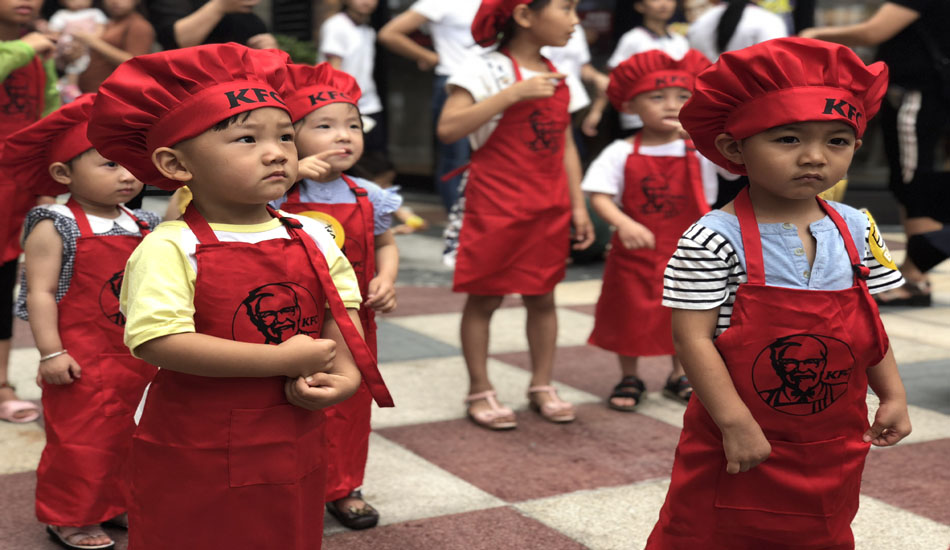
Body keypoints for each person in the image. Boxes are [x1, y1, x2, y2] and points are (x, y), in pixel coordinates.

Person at [86, 43, 394, 549]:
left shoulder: (312, 234)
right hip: (195, 444)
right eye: (247, 138)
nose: (277, 152)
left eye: (286, 136)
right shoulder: (170, 246)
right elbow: (158, 341)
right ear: (175, 163)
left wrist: (346, 376)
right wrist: (283, 359)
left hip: (292, 436)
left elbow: (342, 310)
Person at [646, 37, 912, 549]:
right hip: (737, 435)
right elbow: (691, 340)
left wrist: (894, 394)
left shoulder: (858, 227)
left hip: (831, 442)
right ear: (734, 149)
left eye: (837, 141)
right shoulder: (711, 238)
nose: (814, 157)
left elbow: (867, 325)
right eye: (788, 139)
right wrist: (735, 423)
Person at [4, 94, 159, 550]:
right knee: (81, 441)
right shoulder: (55, 223)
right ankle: (70, 516)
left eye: (132, 162)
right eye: (110, 164)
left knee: (130, 435)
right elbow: (39, 292)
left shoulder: (142, 222)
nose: (127, 174)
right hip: (80, 358)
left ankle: (114, 503)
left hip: (134, 355)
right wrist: (50, 352)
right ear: (62, 173)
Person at [438, 0, 594, 430]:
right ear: (525, 15)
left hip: (549, 204)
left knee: (543, 296)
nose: (575, 20)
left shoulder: (560, 71)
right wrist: (513, 94)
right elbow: (449, 129)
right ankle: (479, 387)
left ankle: (541, 384)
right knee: (485, 297)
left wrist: (578, 204)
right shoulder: (482, 68)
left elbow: (565, 143)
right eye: (566, 8)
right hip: (495, 203)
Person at [270, 62, 402, 531]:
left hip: (354, 322)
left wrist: (387, 278)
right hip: (289, 322)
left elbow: (385, 243)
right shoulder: (276, 192)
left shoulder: (369, 194)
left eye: (353, 126)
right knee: (286, 402)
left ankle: (344, 486)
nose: (343, 135)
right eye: (324, 126)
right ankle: (286, 485)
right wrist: (289, 176)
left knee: (350, 406)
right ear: (291, 137)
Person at [584, 49, 736, 412]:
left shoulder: (701, 149)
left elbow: (735, 167)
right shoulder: (619, 151)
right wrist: (623, 223)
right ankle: (629, 375)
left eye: (682, 96)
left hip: (690, 250)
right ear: (631, 106)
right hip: (636, 250)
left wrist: (704, 136)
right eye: (657, 97)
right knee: (629, 312)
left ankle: (680, 374)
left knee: (689, 312)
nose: (670, 105)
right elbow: (598, 194)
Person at [801, 0, 950, 306]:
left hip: (917, 96)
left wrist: (813, 33)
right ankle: (914, 275)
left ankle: (915, 278)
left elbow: (874, 31)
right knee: (910, 179)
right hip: (923, 94)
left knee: (912, 180)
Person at [0, 0, 59, 425]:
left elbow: (48, 118)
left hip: (14, 187)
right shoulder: (31, 47)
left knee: (4, 282)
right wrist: (27, 48)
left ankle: (1, 384)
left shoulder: (38, 51)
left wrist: (46, 185)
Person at [378, 0, 482, 212]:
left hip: (491, 83)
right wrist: (429, 57)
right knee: (456, 158)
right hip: (454, 82)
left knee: (488, 155)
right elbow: (389, 33)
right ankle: (456, 220)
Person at [583, 0, 688, 137]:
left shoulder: (680, 41)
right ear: (640, 6)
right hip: (639, 118)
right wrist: (597, 111)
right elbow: (613, 78)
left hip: (675, 115)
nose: (664, 4)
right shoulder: (632, 39)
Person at [319, 0, 387, 174]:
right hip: (346, 104)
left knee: (374, 162)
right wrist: (340, 107)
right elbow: (334, 70)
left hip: (370, 104)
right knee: (348, 162)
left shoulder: (368, 29)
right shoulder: (336, 25)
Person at [75, 0, 155, 93]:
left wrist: (93, 42)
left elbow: (134, 63)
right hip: (87, 91)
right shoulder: (106, 22)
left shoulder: (139, 25)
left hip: (112, 93)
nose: (115, 1)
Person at [147, 0, 278, 50]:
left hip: (241, 85)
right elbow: (175, 41)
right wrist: (219, 6)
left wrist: (270, 49)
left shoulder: (249, 17)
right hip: (192, 83)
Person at [686, 0, 787, 61]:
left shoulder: (700, 22)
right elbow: (775, 65)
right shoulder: (769, 21)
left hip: (706, 88)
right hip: (750, 89)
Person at [47, 0, 106, 101]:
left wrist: (90, 40)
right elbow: (54, 33)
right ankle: (70, 86)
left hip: (88, 46)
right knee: (73, 59)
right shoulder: (61, 15)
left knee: (80, 61)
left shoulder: (95, 13)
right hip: (68, 45)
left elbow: (101, 31)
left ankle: (67, 84)